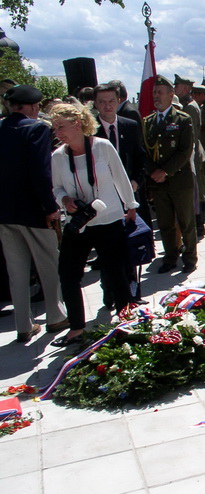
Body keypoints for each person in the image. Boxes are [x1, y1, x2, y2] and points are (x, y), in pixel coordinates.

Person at [49, 102, 138, 347]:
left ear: (78, 124)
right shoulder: (58, 156)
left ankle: (125, 321)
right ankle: (76, 328)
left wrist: (130, 206)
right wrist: (64, 199)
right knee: (67, 274)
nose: (57, 133)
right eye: (55, 128)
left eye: (61, 127)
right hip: (79, 224)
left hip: (108, 218)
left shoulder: (102, 146)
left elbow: (120, 176)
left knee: (116, 271)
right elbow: (55, 187)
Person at [0, 85, 69, 343]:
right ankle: (55, 316)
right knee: (48, 264)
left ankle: (23, 325)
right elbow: (41, 172)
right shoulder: (37, 128)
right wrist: (51, 206)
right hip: (34, 211)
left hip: (5, 213)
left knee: (16, 270)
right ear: (32, 106)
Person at [93, 82, 149, 306]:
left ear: (118, 102)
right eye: (102, 102)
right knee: (108, 250)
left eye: (111, 101)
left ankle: (133, 294)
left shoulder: (130, 125)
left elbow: (140, 157)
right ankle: (110, 292)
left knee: (131, 246)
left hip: (129, 197)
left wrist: (135, 182)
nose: (107, 106)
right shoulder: (90, 130)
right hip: (104, 201)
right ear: (95, 104)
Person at [142, 75, 197, 274]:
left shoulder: (182, 119)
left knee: (186, 222)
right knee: (165, 223)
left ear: (171, 95)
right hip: (158, 183)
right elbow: (144, 151)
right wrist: (153, 172)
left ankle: (190, 257)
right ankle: (170, 256)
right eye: (154, 92)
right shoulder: (147, 122)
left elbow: (185, 151)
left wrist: (165, 171)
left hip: (179, 180)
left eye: (160, 92)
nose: (156, 96)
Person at [174, 74, 205, 238]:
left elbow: (192, 135)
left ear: (185, 88)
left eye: (177, 86)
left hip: (191, 152)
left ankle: (199, 222)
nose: (174, 88)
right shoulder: (184, 105)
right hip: (187, 152)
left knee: (196, 187)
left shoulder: (190, 107)